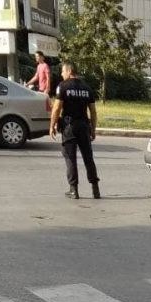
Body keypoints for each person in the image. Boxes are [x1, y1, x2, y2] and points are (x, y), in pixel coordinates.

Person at [49, 62, 100, 199]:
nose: (61, 74)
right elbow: (93, 112)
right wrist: (93, 129)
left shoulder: (63, 86)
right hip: (84, 126)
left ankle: (74, 190)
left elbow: (57, 108)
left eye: (63, 71)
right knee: (88, 157)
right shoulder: (87, 88)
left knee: (70, 158)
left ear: (69, 71)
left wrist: (52, 125)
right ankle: (95, 189)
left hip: (69, 126)